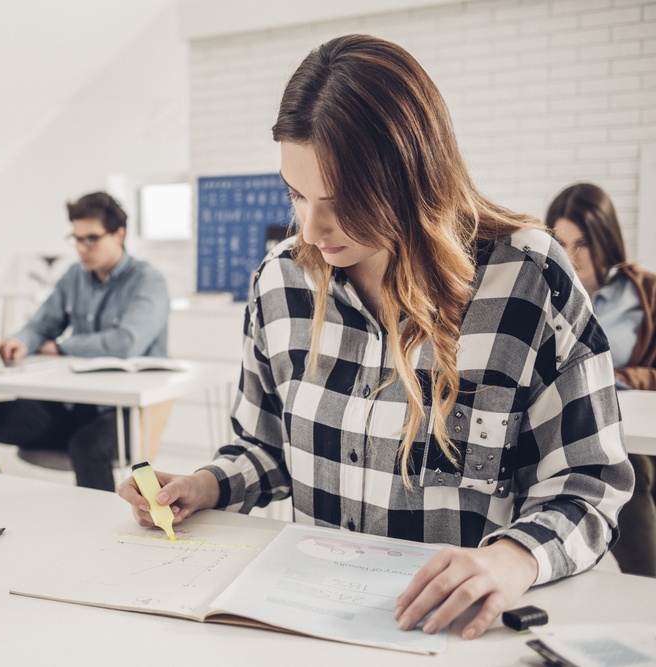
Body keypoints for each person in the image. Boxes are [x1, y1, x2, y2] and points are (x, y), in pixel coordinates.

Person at [118, 35, 633, 641]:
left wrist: (512, 558)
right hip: (308, 629)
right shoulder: (280, 281)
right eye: (296, 193)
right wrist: (204, 485)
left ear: (414, 177)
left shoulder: (528, 279)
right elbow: (264, 448)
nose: (311, 228)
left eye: (342, 201)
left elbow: (589, 483)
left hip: (456, 637)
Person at [0, 191, 170, 491]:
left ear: (119, 235)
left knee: (87, 446)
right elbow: (42, 324)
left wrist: (60, 346)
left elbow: (126, 343)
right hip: (74, 403)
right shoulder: (74, 276)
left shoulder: (148, 281)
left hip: (125, 412)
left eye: (91, 238)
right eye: (76, 239)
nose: (82, 248)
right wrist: (20, 341)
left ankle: (100, 531)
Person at [546, 182, 656, 577]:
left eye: (583, 244)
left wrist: (617, 378)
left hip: (629, 425)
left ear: (605, 239)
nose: (571, 257)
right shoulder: (549, 293)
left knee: (629, 467)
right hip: (564, 418)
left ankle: (646, 585)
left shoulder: (643, 294)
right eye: (561, 243)